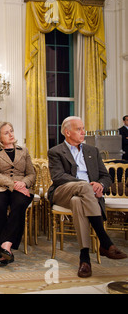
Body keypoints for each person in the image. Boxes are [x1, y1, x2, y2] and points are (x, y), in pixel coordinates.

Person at [48, 116, 127, 278]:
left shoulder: (92, 151)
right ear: (67, 132)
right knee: (83, 186)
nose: (83, 132)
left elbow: (106, 177)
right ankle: (104, 241)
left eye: (83, 128)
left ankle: (84, 258)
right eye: (79, 129)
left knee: (78, 201)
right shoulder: (55, 151)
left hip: (85, 196)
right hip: (63, 191)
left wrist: (100, 185)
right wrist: (88, 186)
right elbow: (58, 177)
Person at [0, 122, 36, 267]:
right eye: (6, 133)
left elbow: (31, 173)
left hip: (22, 186)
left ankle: (5, 246)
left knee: (19, 204)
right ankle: (1, 246)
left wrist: (24, 184)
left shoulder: (23, 151)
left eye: (11, 131)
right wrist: (13, 185)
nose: (11, 134)